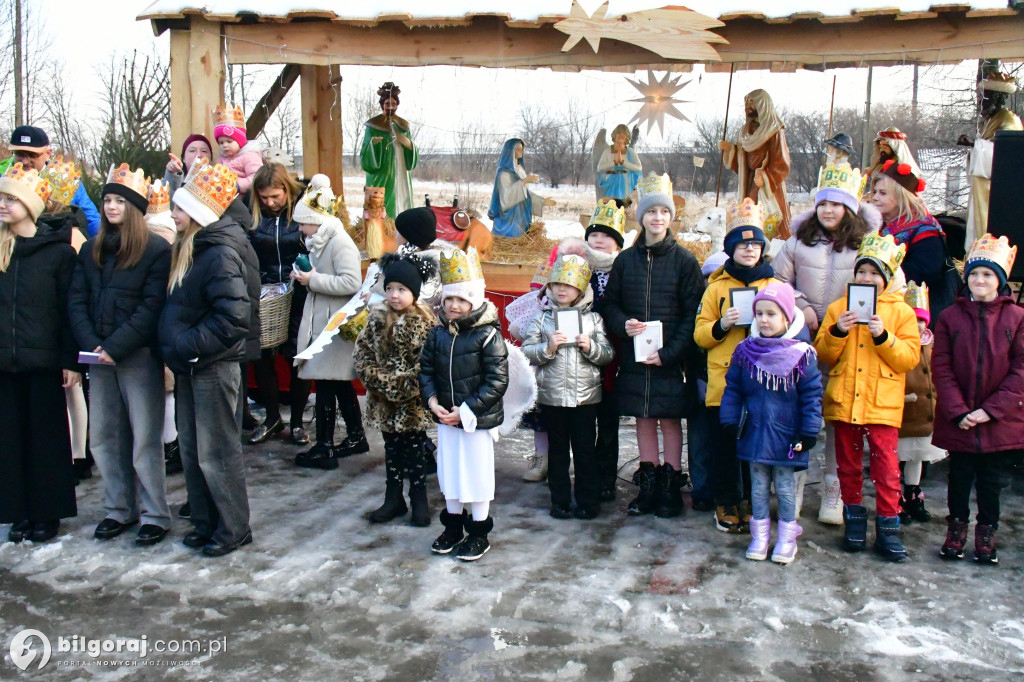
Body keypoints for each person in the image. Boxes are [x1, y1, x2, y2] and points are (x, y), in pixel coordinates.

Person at [68, 163, 172, 546]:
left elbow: (151, 306)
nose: (111, 207)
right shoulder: (92, 250)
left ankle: (154, 514)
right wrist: (92, 342)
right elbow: (77, 299)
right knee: (106, 436)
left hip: (137, 356)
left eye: (119, 201)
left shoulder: (155, 250)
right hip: (99, 356)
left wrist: (116, 346)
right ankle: (118, 509)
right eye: (107, 199)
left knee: (145, 438)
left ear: (134, 207)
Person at [771, 161, 878, 524]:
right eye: (823, 204)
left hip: (848, 340)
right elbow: (777, 281)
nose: (828, 210)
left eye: (836, 204)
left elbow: (884, 283)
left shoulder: (863, 245)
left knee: (838, 416)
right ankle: (795, 481)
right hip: (801, 340)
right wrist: (800, 305)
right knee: (798, 412)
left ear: (850, 209)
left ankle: (834, 489)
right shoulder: (798, 243)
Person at [159, 162, 253, 557]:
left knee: (217, 453)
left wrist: (185, 345)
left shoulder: (218, 254)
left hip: (211, 366)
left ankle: (233, 527)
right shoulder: (190, 248)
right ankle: (204, 520)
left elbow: (233, 317)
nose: (173, 215)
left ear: (197, 213)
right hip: (191, 365)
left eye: (179, 209)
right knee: (194, 450)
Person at [602, 172, 705, 519]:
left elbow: (694, 314)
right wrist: (622, 324)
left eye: (663, 211)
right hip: (635, 357)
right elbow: (610, 304)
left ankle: (670, 485)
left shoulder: (685, 262)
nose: (657, 217)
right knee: (644, 418)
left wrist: (671, 353)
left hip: (670, 359)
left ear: (670, 217)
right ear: (641, 217)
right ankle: (648, 484)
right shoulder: (626, 261)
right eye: (651, 212)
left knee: (669, 418)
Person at [815, 232, 921, 562]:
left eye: (875, 273)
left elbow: (909, 358)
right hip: (846, 401)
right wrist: (837, 332)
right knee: (848, 465)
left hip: (881, 404)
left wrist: (884, 336)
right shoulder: (838, 308)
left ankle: (888, 529)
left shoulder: (901, 313)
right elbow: (823, 353)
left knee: (887, 468)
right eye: (862, 271)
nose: (867, 278)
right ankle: (855, 521)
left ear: (887, 278)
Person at [0, 163, 79, 543]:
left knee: (46, 438)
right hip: (5, 360)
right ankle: (18, 510)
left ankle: (48, 511)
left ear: (30, 206)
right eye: (1, 197)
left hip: (44, 360)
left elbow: (68, 311)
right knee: (10, 439)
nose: (3, 205)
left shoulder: (57, 255)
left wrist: (70, 360)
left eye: (11, 199)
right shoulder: (2, 250)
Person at [934, 234, 1023, 564]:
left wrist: (991, 410)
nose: (980, 280)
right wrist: (958, 410)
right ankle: (956, 529)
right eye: (974, 273)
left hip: (997, 420)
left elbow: (1021, 370)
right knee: (959, 478)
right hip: (960, 418)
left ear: (999, 280)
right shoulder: (950, 318)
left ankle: (987, 531)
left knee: (991, 482)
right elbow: (941, 367)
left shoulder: (1017, 318)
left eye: (987, 274)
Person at [720, 282, 823, 564]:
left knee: (786, 488)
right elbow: (733, 389)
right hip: (754, 431)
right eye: (760, 314)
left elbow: (812, 395)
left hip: (788, 434)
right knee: (758, 487)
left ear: (787, 318)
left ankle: (787, 539)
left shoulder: (801, 355)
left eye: (772, 314)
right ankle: (760, 536)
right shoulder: (745, 351)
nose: (764, 320)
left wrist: (809, 430)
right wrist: (730, 419)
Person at [694, 198, 779, 532]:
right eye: (742, 245)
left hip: (761, 383)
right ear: (731, 248)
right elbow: (700, 334)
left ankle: (752, 502)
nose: (749, 250)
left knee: (754, 448)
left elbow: (790, 331)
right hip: (725, 383)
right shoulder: (716, 288)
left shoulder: (774, 286)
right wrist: (722, 326)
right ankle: (726, 500)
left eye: (755, 244)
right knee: (725, 447)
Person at [421, 247, 508, 561]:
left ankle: (479, 531)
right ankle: (453, 526)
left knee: (475, 475)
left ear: (475, 300)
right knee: (451, 473)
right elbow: (427, 370)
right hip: (446, 418)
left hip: (475, 420)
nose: (454, 305)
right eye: (449, 299)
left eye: (461, 299)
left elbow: (497, 381)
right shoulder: (438, 334)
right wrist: (432, 401)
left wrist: (467, 410)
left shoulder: (487, 336)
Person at [523, 254, 613, 520]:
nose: (562, 289)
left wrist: (591, 347)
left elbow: (607, 354)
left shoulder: (594, 320)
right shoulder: (542, 319)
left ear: (580, 289)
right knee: (558, 452)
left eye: (569, 285)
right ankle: (559, 501)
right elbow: (527, 353)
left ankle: (588, 500)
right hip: (552, 396)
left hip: (586, 398)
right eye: (557, 284)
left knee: (586, 451)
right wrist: (548, 348)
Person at [354, 252, 438, 526]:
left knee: (414, 451)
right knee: (391, 449)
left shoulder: (424, 325)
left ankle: (419, 498)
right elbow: (363, 354)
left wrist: (401, 387)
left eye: (402, 290)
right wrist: (379, 382)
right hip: (383, 403)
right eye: (389, 289)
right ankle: (394, 498)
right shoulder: (377, 320)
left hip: (411, 404)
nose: (394, 295)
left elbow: (426, 363)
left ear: (414, 292)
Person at [292, 175, 366, 469]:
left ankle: (324, 446)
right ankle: (356, 436)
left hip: (334, 326)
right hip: (324, 321)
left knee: (325, 384)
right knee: (336, 383)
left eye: (303, 223)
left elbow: (351, 282)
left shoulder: (339, 243)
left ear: (317, 220)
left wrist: (313, 280)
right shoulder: (321, 240)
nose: (300, 229)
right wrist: (306, 279)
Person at [246, 164, 312, 446]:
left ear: (287, 190)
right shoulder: (251, 214)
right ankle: (272, 418)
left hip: (297, 293)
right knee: (261, 356)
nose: (270, 203)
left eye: (275, 196)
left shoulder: (303, 212)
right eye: (264, 198)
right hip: (263, 292)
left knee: (296, 356)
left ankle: (297, 422)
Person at [38, 157, 91, 482]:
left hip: (65, 318)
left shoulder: (73, 231)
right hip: (48, 320)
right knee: (69, 391)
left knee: (73, 390)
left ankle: (79, 454)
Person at [871, 159, 953, 321]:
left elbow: (924, 271)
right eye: (874, 192)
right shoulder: (875, 226)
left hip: (914, 311)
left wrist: (879, 277)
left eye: (883, 193)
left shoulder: (925, 229)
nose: (874, 197)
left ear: (901, 196)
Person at [583, 200, 626, 501]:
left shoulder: (624, 270)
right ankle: (585, 475)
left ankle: (606, 477)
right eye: (595, 234)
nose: (599, 240)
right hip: (581, 355)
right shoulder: (577, 265)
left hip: (613, 355)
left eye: (607, 235)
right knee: (583, 422)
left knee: (608, 421)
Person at [896, 281, 945, 525]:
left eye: (921, 320)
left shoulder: (932, 345)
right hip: (904, 412)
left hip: (925, 413)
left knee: (917, 457)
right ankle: (895, 496)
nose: (917, 326)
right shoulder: (899, 345)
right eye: (912, 320)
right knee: (898, 456)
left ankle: (912, 493)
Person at [144, 180, 183, 475]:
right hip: (158, 320)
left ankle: (170, 442)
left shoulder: (161, 239)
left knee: (167, 388)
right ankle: (167, 441)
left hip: (164, 320)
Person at [1, 125, 101, 236]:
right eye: (19, 154)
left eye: (32, 155)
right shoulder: (3, 179)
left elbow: (91, 219)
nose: (25, 161)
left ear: (48, 153)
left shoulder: (65, 182)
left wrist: (102, 243)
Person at [718, 90, 792, 239]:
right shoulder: (745, 131)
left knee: (771, 220)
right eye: (747, 103)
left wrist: (766, 177)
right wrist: (730, 150)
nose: (749, 106)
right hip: (750, 181)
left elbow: (782, 161)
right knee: (749, 217)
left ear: (763, 104)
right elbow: (742, 164)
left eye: (752, 102)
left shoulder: (774, 130)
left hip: (768, 185)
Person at [961, 71, 1022, 250]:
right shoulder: (989, 120)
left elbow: (1009, 154)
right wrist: (974, 147)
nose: (981, 102)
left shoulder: (1008, 118)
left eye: (985, 98)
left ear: (997, 98)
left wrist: (976, 145)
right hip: (982, 186)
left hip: (995, 191)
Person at [689, 251, 730, 513]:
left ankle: (725, 489)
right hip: (699, 381)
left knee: (725, 441)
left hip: (726, 385)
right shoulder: (699, 306)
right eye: (707, 279)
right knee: (699, 439)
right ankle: (702, 489)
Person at [360, 82, 418, 219]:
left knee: (402, 197)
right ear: (382, 105)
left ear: (397, 105)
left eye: (393, 104)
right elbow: (365, 155)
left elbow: (411, 151)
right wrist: (374, 145)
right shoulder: (373, 125)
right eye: (387, 104)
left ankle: (403, 223)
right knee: (381, 203)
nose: (391, 107)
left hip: (401, 169)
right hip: (382, 172)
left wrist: (408, 144)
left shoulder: (403, 126)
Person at [488, 138, 554, 238]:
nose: (520, 152)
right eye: (518, 149)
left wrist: (542, 201)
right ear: (510, 151)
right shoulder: (504, 173)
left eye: (521, 149)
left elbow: (525, 194)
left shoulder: (520, 170)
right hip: (509, 223)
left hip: (522, 220)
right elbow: (506, 199)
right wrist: (524, 181)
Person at [214, 105, 263, 194]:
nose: (225, 145)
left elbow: (257, 176)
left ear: (239, 141)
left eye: (229, 141)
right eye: (221, 143)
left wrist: (237, 185)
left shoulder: (249, 156)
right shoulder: (221, 159)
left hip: (244, 197)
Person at [861, 127, 921, 200]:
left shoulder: (901, 170)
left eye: (885, 145)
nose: (882, 149)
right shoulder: (880, 166)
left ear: (894, 147)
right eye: (880, 145)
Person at [596, 124, 642, 205]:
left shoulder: (630, 152)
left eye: (624, 134)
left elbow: (639, 168)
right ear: (615, 135)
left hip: (627, 184)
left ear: (627, 137)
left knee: (626, 205)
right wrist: (614, 163)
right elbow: (600, 168)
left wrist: (624, 163)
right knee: (611, 205)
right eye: (619, 133)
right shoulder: (607, 151)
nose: (621, 136)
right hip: (612, 183)